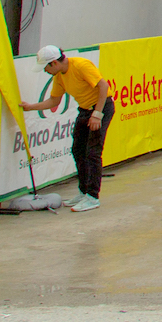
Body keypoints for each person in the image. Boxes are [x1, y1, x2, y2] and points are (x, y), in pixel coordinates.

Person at [20, 45, 113, 212]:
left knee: (93, 152)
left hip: (101, 107)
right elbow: (54, 101)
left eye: (46, 68)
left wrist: (97, 114)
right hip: (85, 110)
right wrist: (30, 107)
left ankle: (92, 197)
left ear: (54, 63)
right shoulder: (59, 77)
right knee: (78, 150)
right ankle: (83, 192)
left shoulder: (81, 65)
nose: (45, 71)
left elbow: (103, 87)